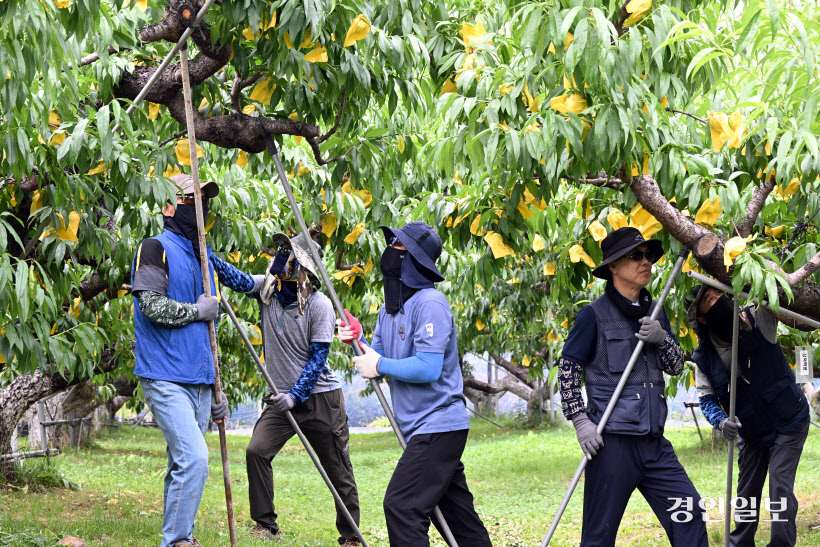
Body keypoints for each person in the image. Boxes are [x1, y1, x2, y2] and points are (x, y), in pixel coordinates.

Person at [337, 221, 493, 547]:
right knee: (459, 521)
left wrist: (378, 363)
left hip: (438, 426)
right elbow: (377, 363)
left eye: (398, 246)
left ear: (413, 260)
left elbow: (428, 368)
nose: (389, 252)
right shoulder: (389, 311)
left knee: (402, 507)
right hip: (421, 428)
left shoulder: (430, 303)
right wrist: (357, 340)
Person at [557, 227, 708, 546]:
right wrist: (581, 421)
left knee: (690, 514)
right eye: (636, 255)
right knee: (598, 536)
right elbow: (568, 369)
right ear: (613, 266)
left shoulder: (657, 311)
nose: (646, 262)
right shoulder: (593, 316)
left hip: (654, 444)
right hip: (612, 444)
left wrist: (663, 338)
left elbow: (676, 365)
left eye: (649, 256)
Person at [211, 232, 361, 546]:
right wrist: (206, 255)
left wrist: (295, 396)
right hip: (281, 398)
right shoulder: (268, 289)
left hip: (320, 399)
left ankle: (350, 538)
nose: (279, 257)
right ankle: (265, 525)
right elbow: (236, 279)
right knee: (256, 451)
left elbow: (318, 360)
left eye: (287, 253)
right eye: (281, 250)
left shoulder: (319, 306)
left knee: (338, 469)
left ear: (302, 268)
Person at [131, 174, 228, 547]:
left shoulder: (202, 258)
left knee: (180, 465)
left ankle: (176, 538)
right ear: (168, 206)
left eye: (202, 200)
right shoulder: (154, 247)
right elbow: (151, 306)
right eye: (190, 200)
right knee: (196, 459)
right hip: (165, 376)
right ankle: (178, 541)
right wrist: (196, 311)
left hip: (198, 381)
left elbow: (209, 333)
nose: (198, 208)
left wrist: (214, 386)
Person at [687, 284, 809, 546]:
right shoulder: (704, 358)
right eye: (710, 299)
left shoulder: (758, 317)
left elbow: (776, 292)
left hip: (789, 420)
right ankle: (739, 544)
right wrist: (721, 421)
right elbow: (707, 400)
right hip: (752, 431)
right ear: (700, 317)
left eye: (720, 293)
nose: (718, 299)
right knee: (746, 496)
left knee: (780, 493)